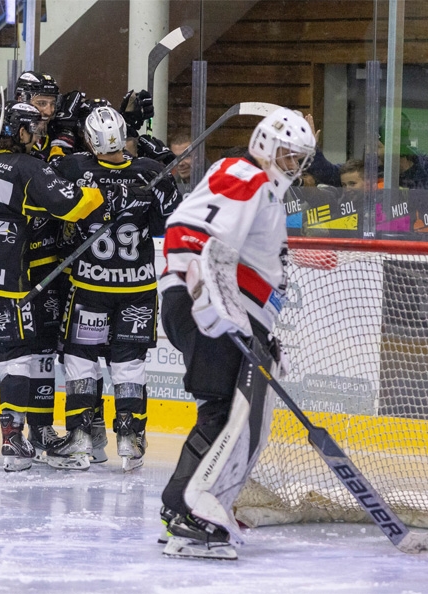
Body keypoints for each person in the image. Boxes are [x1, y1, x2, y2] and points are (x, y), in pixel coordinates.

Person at [0, 101, 151, 472]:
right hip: (3, 282)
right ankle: (15, 442)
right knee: (17, 358)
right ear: (16, 131)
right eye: (31, 130)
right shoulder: (29, 168)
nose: (37, 137)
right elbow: (73, 207)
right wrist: (106, 196)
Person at [157, 108, 316, 559]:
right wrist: (208, 297)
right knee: (233, 415)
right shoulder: (243, 173)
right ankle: (197, 518)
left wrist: (263, 331)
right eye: (287, 154)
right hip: (210, 304)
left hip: (231, 309)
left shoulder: (265, 190)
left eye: (299, 158)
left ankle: (181, 508)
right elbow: (186, 230)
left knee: (224, 411)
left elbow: (253, 268)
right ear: (265, 143)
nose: (293, 165)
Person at [47, 106, 180, 472]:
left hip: (90, 286)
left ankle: (78, 436)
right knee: (129, 363)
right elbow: (167, 220)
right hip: (138, 288)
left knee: (79, 359)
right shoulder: (150, 173)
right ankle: (130, 437)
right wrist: (157, 174)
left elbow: (50, 190)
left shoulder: (75, 167)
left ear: (90, 140)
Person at [307, 114, 428, 190]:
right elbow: (329, 173)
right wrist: (311, 151)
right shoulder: (371, 169)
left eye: (378, 147)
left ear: (395, 147)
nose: (373, 152)